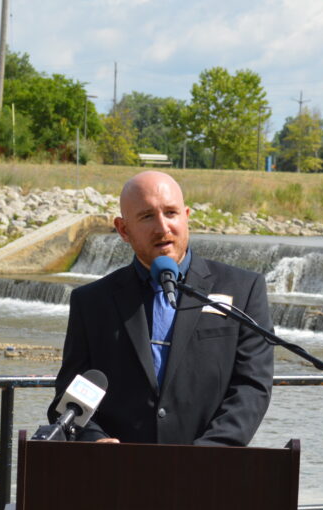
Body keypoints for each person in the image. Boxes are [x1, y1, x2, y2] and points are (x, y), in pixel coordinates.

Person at [48, 171, 273, 446]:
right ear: (123, 230)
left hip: (210, 474)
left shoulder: (243, 290)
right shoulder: (92, 301)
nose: (163, 227)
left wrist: (210, 452)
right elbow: (70, 394)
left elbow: (252, 387)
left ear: (186, 216)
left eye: (171, 213)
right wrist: (95, 442)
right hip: (118, 474)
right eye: (146, 216)